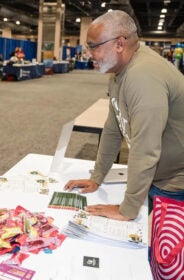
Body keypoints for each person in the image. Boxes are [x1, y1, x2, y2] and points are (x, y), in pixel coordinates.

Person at [64, 10, 184, 221]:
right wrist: (97, 178)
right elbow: (113, 128)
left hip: (173, 184)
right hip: (156, 177)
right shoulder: (119, 73)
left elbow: (145, 150)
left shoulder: (143, 76)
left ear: (119, 44)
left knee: (154, 250)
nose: (89, 54)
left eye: (93, 46)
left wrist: (126, 209)